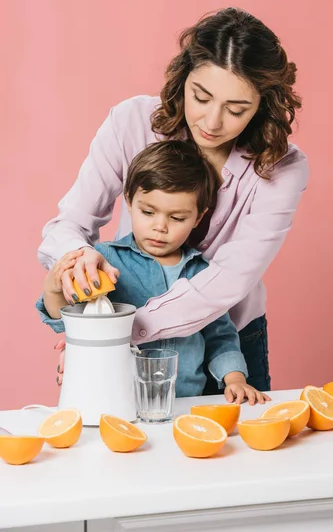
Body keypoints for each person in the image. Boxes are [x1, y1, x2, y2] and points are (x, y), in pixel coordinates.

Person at [38, 7, 309, 394]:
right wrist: (77, 261)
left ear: (263, 105)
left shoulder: (282, 168)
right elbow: (68, 226)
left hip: (226, 340)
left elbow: (227, 281)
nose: (212, 123)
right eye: (201, 97)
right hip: (125, 343)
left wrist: (117, 332)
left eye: (236, 110)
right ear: (183, 78)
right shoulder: (131, 122)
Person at [37, 141, 269, 405]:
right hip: (115, 402)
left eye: (177, 218)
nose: (160, 227)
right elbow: (69, 320)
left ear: (198, 216)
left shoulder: (204, 275)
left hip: (184, 404)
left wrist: (235, 380)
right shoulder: (106, 260)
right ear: (129, 201)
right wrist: (53, 288)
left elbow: (221, 336)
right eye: (148, 212)